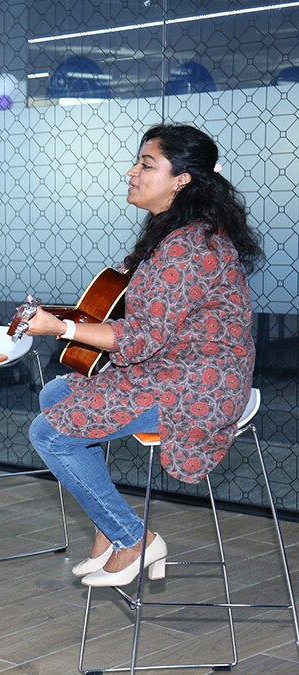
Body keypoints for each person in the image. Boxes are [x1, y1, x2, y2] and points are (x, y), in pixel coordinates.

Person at [25, 124, 263, 587]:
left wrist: (62, 327)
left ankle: (133, 538)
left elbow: (140, 338)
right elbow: (150, 329)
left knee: (49, 434)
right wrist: (70, 321)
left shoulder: (191, 246)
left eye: (146, 164)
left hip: (198, 387)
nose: (132, 172)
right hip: (171, 371)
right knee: (56, 392)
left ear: (182, 180)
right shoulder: (177, 233)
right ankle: (106, 531)